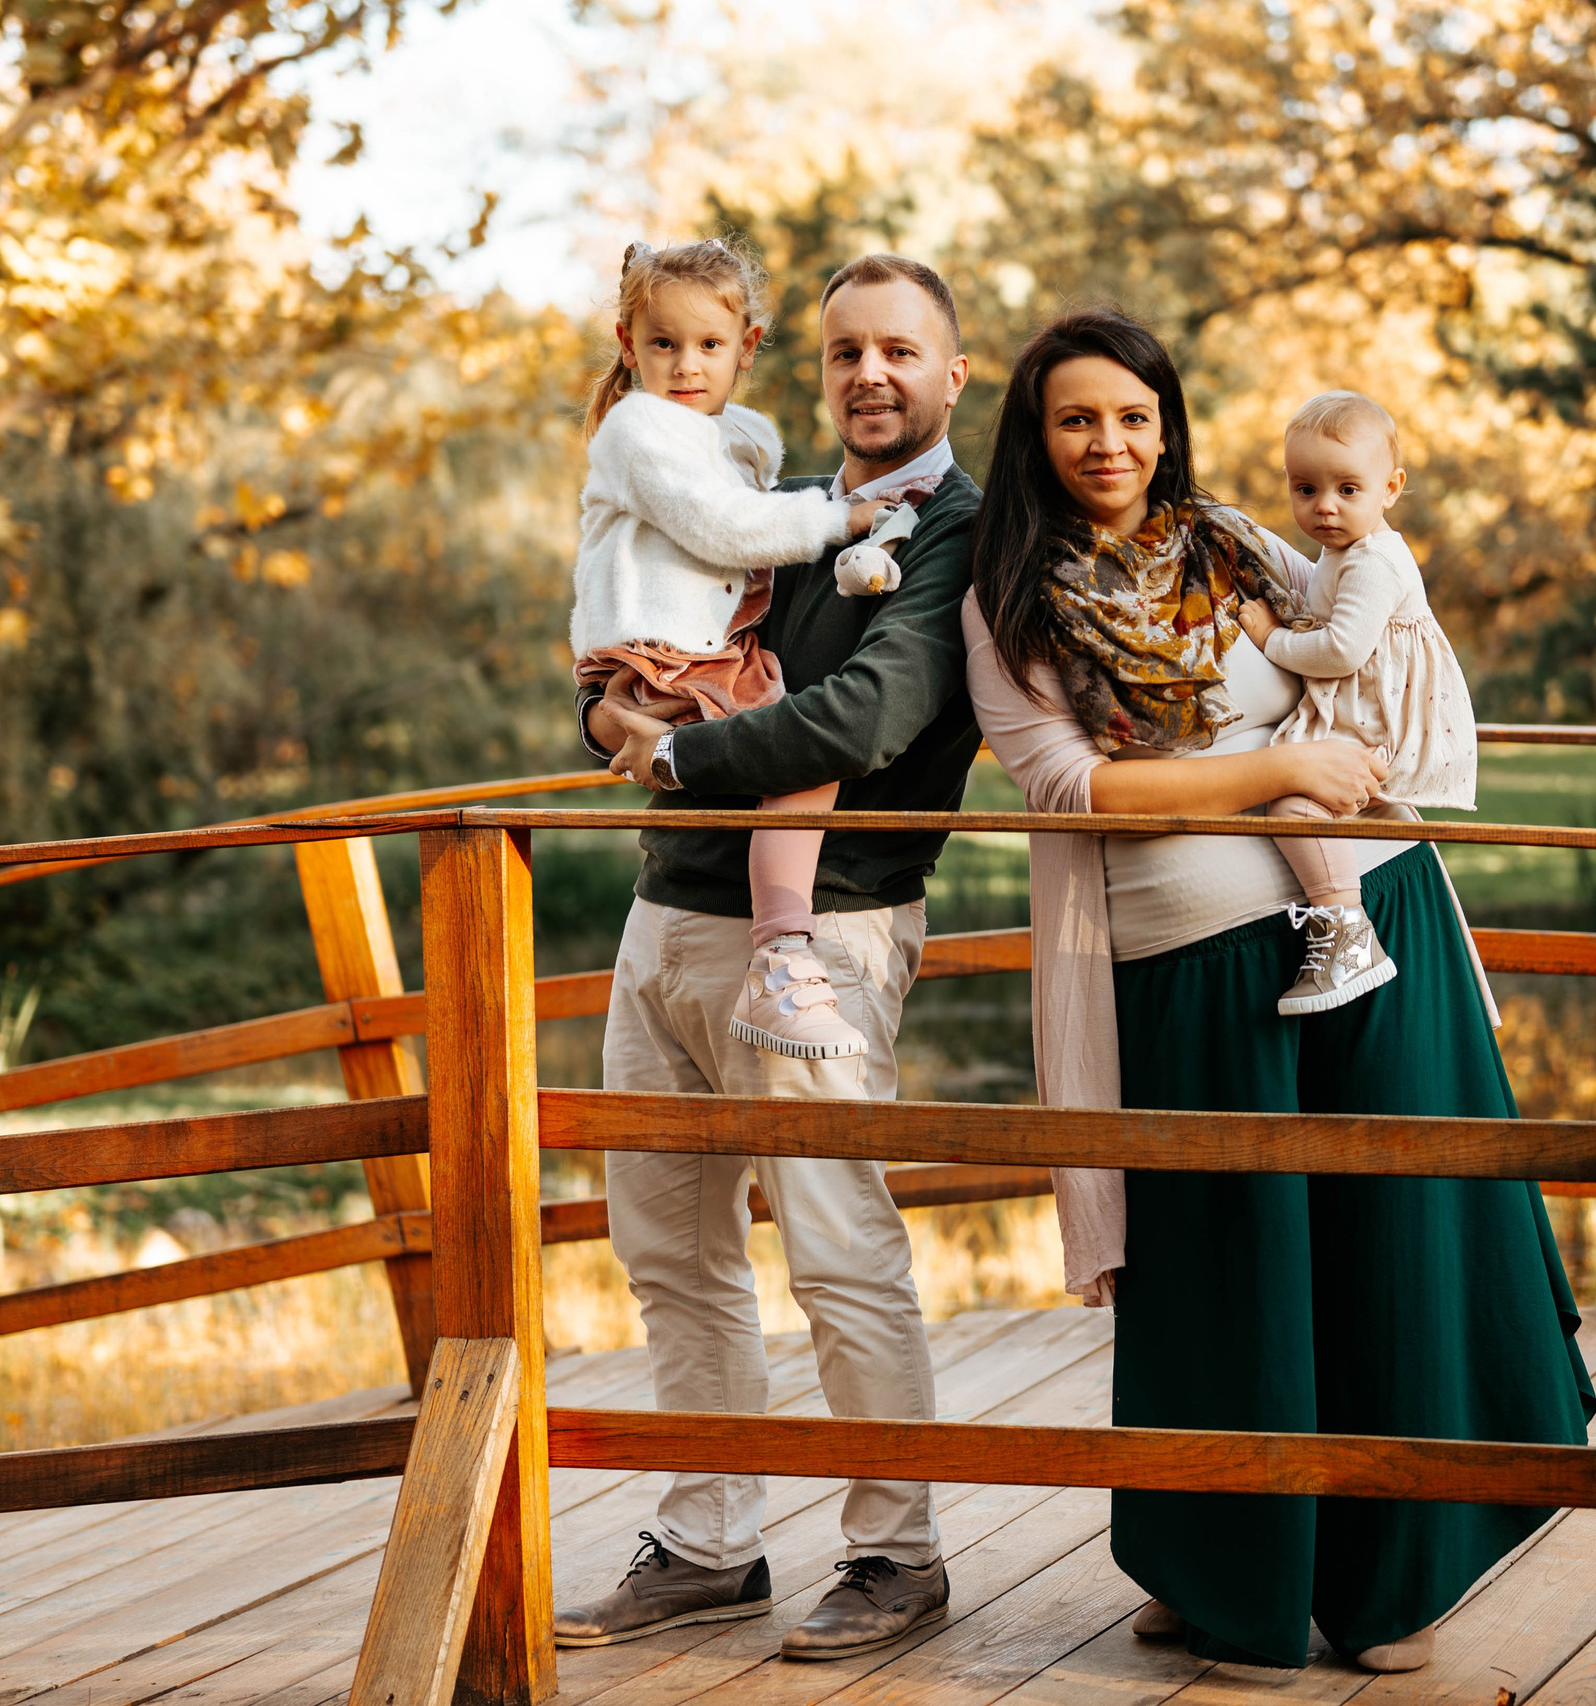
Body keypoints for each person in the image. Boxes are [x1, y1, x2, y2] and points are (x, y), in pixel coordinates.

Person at [962, 307, 1596, 1674]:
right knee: (1222, 1270)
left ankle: (1392, 1579)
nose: (1110, 442)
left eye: (1134, 416)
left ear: (1166, 424)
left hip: (1370, 922)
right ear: (1037, 434)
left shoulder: (1239, 539)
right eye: (1079, 418)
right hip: (1187, 964)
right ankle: (1228, 1562)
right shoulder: (1008, 596)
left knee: (1391, 1246)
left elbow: (1365, 633)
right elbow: (1071, 786)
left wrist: (1335, 760)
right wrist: (1272, 774)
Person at [557, 254, 981, 1662]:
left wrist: (670, 749)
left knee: (837, 1244)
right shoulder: (768, 498)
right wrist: (614, 714)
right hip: (665, 911)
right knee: (667, 1246)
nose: (870, 373)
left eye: (899, 351)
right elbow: (656, 631)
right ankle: (705, 1538)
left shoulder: (957, 530)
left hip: (829, 926)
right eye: (846, 350)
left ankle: (894, 1550)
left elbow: (867, 716)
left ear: (951, 372)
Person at [573, 237, 925, 1061]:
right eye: (663, 344)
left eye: (709, 345)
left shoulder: (732, 438)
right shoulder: (640, 430)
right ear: (630, 346)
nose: (685, 365)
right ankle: (780, 953)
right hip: (660, 650)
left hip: (695, 651)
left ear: (748, 348)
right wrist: (843, 523)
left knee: (798, 746)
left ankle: (779, 944)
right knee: (799, 758)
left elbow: (755, 520)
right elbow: (725, 528)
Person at [1234, 389, 1479, 1016]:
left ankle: (1344, 928)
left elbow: (1341, 651)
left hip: (1376, 719)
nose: (1325, 508)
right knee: (1312, 787)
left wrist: (1270, 638)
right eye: (1306, 489)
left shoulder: (1373, 563)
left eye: (1348, 489)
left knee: (1291, 804)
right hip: (1365, 709)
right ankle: (1382, 833)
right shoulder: (1345, 551)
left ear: (1391, 488)